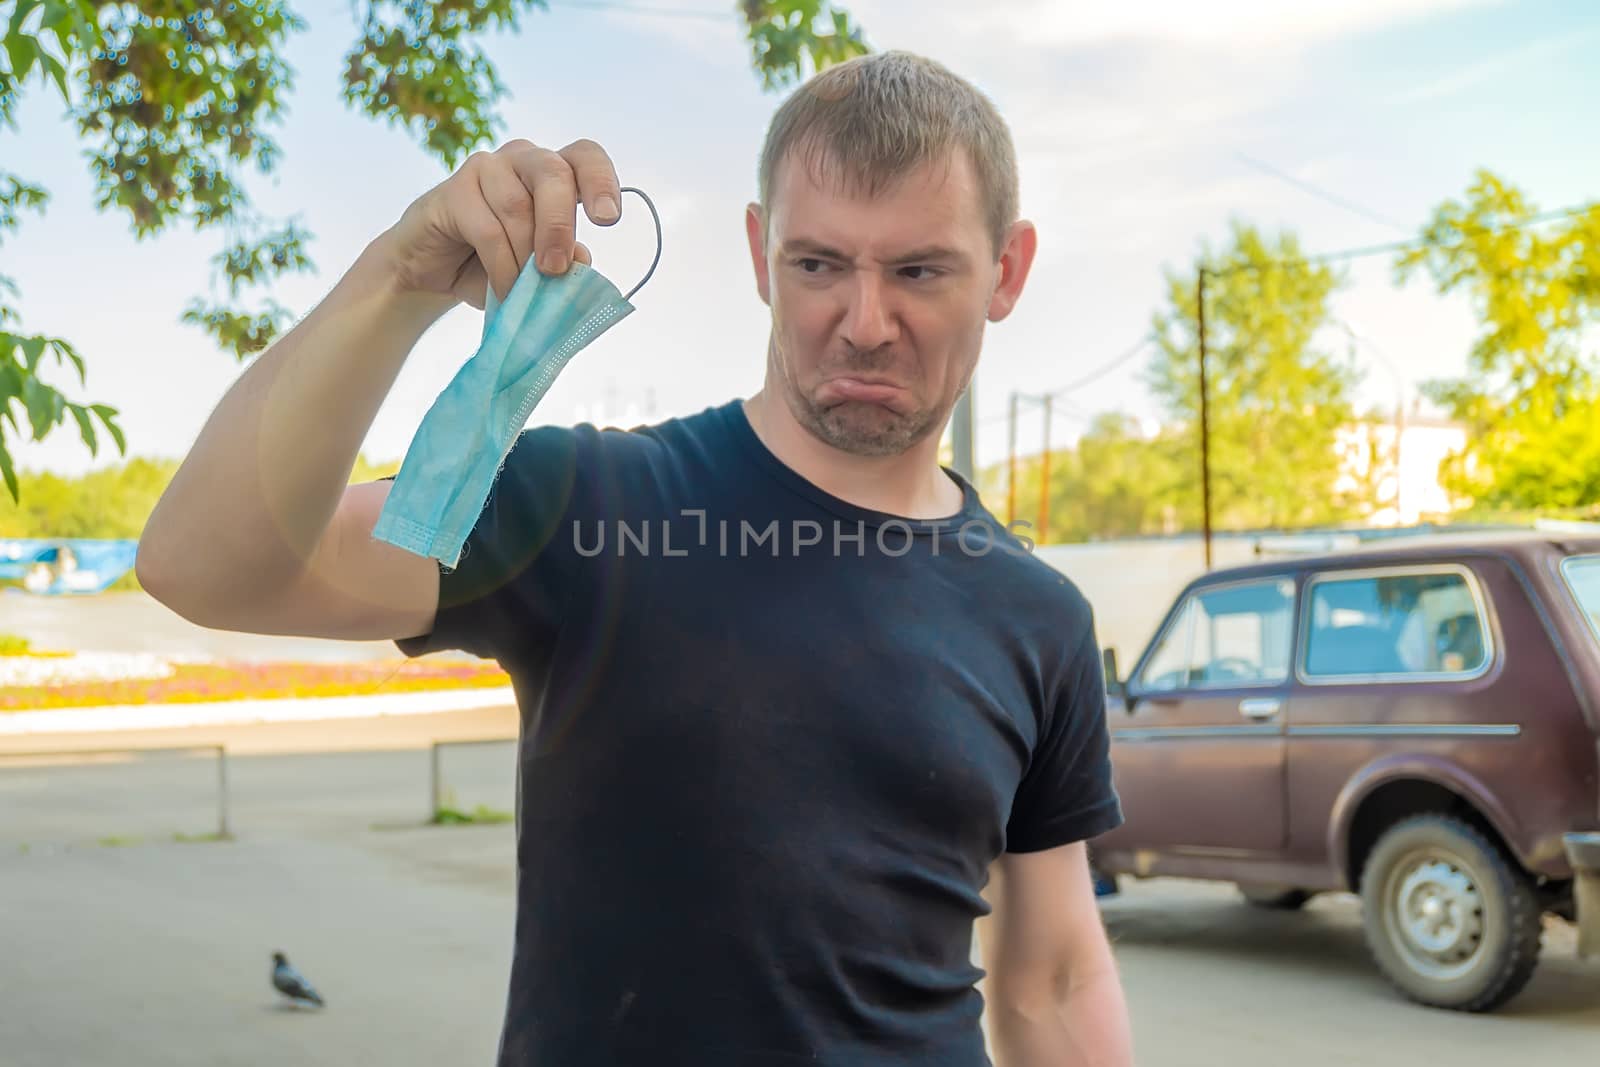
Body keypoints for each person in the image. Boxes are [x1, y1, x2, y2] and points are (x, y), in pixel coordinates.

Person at [138, 50, 1132, 1067]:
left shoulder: (1038, 616)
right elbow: (207, 565)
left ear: (1006, 270)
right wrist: (401, 274)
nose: (864, 322)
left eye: (918, 270)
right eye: (818, 264)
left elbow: (1054, 974)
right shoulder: (584, 506)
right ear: (759, 253)